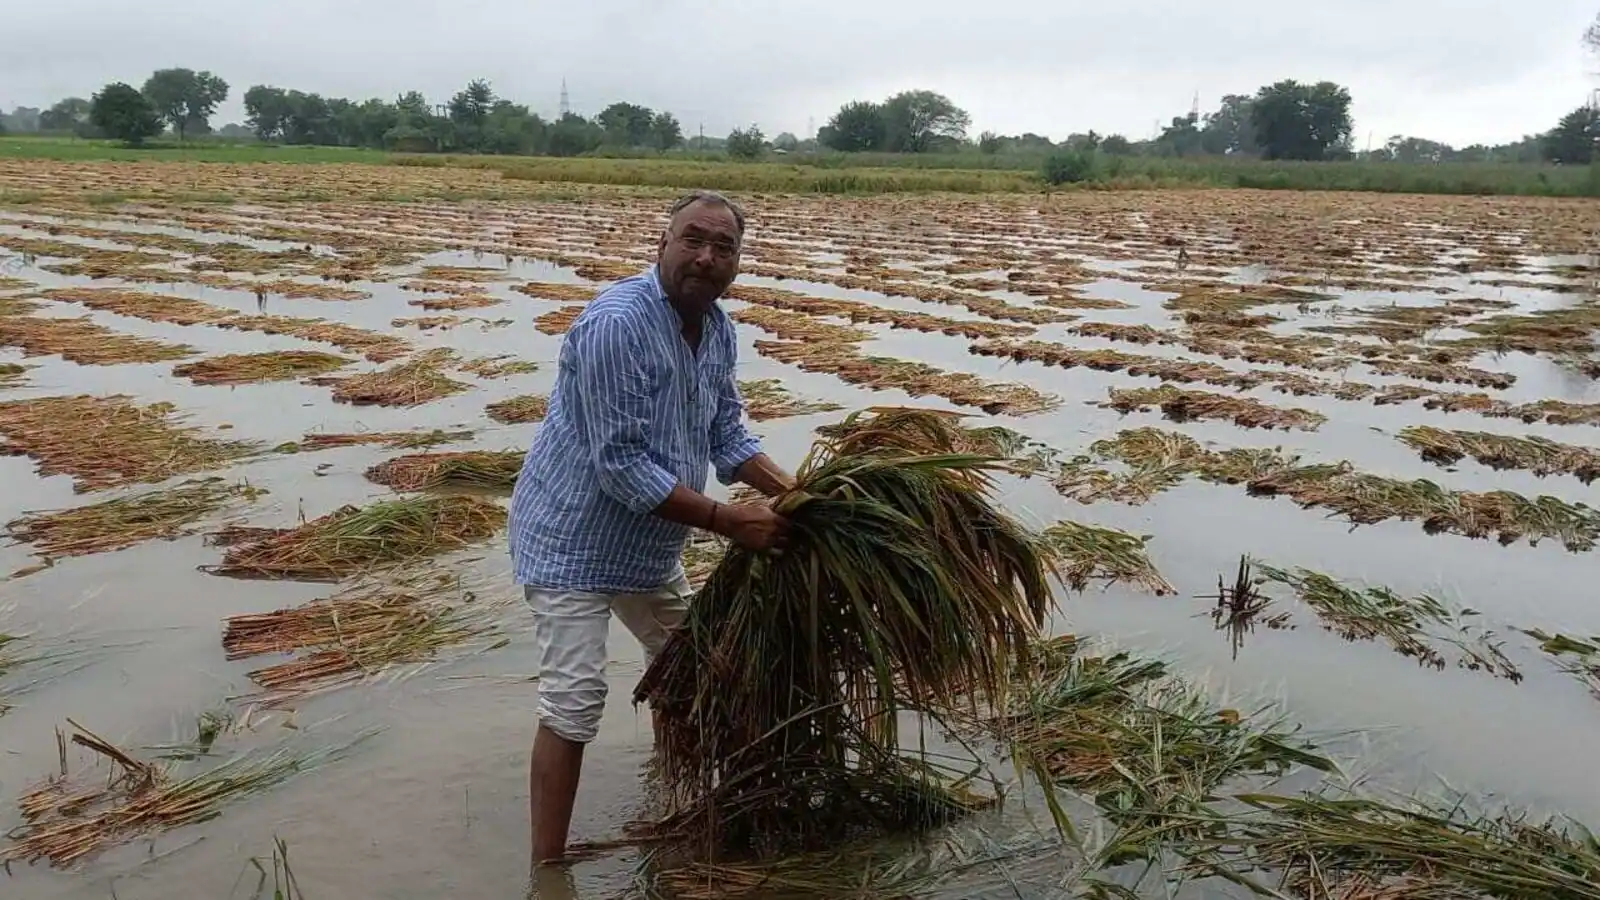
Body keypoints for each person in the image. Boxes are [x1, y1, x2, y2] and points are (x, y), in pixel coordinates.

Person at [508, 190, 796, 866]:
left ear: (736, 262)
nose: (706, 256)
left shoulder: (717, 328)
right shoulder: (617, 325)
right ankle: (547, 869)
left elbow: (726, 432)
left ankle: (675, 793)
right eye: (692, 239)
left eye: (723, 247)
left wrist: (798, 494)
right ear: (661, 244)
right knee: (575, 699)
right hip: (571, 539)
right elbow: (622, 467)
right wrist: (729, 521)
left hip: (648, 544)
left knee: (687, 669)